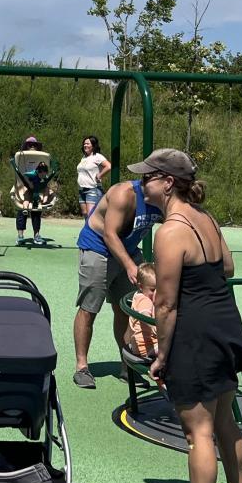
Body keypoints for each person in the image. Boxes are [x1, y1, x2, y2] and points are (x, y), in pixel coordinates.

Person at [135, 149, 242, 483]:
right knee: (223, 422)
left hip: (196, 336)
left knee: (197, 434)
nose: (141, 184)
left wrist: (162, 356)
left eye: (148, 177)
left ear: (167, 183)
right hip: (227, 326)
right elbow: (228, 268)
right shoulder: (206, 220)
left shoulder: (170, 231)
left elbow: (166, 304)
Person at [72, 162, 163, 389]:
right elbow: (110, 235)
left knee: (126, 308)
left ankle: (127, 365)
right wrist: (131, 266)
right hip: (98, 248)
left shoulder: (162, 201)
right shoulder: (123, 194)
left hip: (129, 250)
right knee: (89, 307)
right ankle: (81, 366)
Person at [11, 136, 56, 246]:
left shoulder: (42, 159)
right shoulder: (21, 157)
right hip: (24, 187)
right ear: (26, 146)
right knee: (22, 209)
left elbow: (46, 175)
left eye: (34, 145)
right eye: (29, 145)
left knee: (36, 210)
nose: (32, 147)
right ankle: (20, 236)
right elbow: (19, 175)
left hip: (38, 188)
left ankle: (36, 235)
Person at [124, 262, 159, 361]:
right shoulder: (144, 299)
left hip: (141, 344)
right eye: (152, 290)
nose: (156, 293)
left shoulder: (138, 295)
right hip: (146, 347)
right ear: (140, 287)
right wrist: (152, 326)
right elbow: (144, 314)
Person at [76, 135, 111, 218]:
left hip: (92, 189)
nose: (85, 145)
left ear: (93, 145)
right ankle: (88, 231)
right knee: (85, 213)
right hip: (81, 189)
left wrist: (99, 175)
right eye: (84, 144)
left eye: (88, 143)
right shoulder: (84, 158)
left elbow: (109, 166)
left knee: (91, 215)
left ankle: (95, 231)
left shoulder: (97, 156)